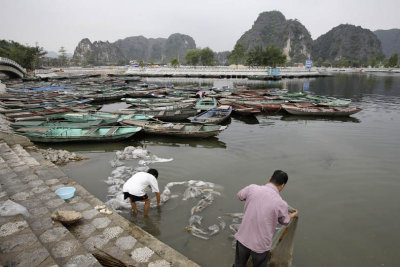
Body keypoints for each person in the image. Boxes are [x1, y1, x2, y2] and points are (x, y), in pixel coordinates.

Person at [233, 170, 298, 267]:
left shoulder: (252, 188)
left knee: (239, 265)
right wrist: (292, 215)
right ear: (282, 185)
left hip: (243, 239)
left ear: (269, 179)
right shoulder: (281, 203)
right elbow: (284, 221)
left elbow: (240, 196)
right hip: (261, 246)